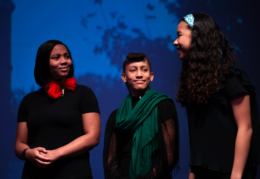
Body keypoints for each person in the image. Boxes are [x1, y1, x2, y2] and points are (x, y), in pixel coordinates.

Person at [173, 13, 260, 179]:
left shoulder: (230, 76)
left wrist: (236, 175)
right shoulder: (196, 81)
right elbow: (200, 137)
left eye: (179, 35)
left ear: (197, 36)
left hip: (232, 172)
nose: (175, 42)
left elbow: (246, 128)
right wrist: (193, 173)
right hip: (205, 172)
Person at [15, 40, 100, 179]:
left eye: (67, 56)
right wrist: (28, 153)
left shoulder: (84, 93)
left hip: (74, 173)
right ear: (44, 63)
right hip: (34, 174)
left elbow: (93, 137)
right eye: (56, 57)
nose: (64, 61)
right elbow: (19, 144)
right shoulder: (28, 100)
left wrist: (56, 153)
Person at [103, 53, 179, 179]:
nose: (139, 74)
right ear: (124, 77)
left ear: (151, 76)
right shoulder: (116, 116)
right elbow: (110, 160)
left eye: (144, 70)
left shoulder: (163, 106)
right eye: (133, 70)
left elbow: (169, 156)